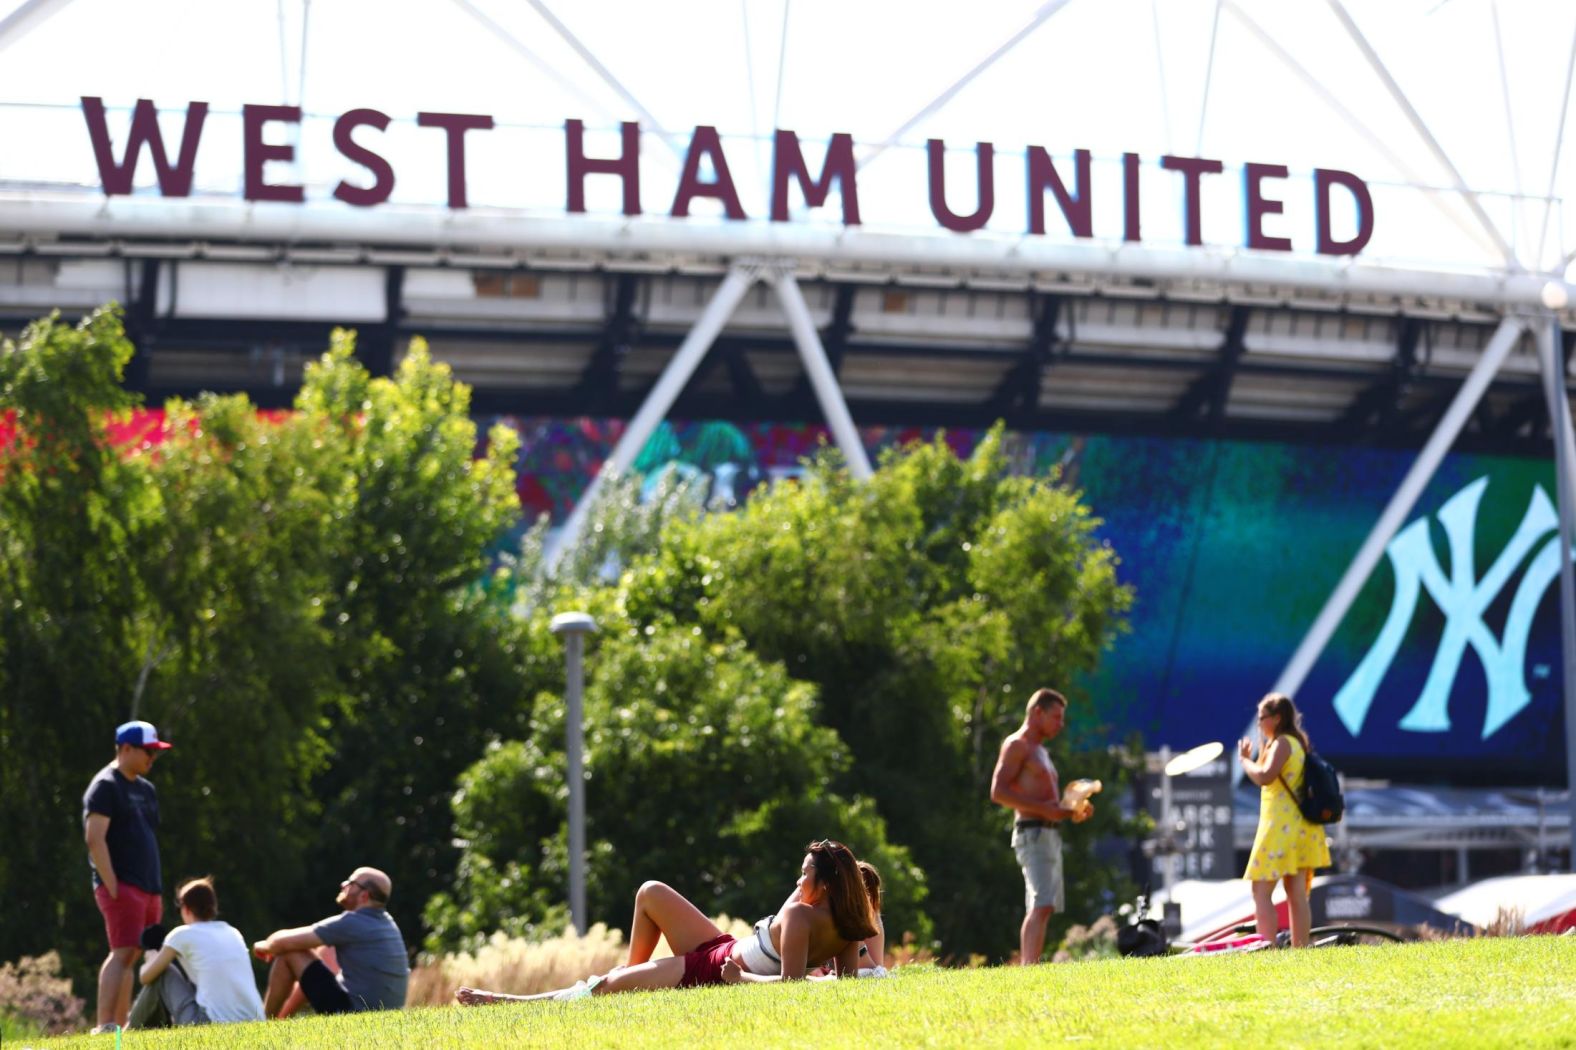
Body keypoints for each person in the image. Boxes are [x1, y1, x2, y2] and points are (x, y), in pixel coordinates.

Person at [455, 839, 880, 1004]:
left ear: (825, 885)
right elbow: (837, 983)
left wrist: (742, 981)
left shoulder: (808, 916)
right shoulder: (830, 915)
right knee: (649, 891)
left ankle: (509, 1002)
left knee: (602, 989)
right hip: (727, 946)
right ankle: (630, 970)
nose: (798, 878)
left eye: (805, 873)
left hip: (713, 969)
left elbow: (802, 987)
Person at [989, 688, 1093, 965]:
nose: (1060, 724)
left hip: (1048, 832)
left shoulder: (1040, 750)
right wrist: (1045, 810)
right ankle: (1029, 967)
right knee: (1041, 902)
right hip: (1032, 830)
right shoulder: (1017, 745)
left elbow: (1045, 799)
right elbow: (998, 792)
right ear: (1037, 713)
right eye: (1056, 717)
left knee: (1044, 906)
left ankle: (1031, 964)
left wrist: (1072, 809)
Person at [83, 719, 173, 1034]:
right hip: (122, 886)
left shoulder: (146, 790)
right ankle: (105, 1025)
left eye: (155, 752)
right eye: (147, 751)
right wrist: (112, 885)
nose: (152, 758)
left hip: (148, 886)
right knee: (121, 952)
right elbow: (95, 838)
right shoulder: (106, 785)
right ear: (125, 749)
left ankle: (122, 1026)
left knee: (133, 954)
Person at [1238, 692, 1331, 948]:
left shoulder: (1282, 743)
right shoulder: (1296, 743)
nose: (1259, 724)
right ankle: (1300, 949)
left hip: (1282, 827)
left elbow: (1265, 776)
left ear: (1277, 718)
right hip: (1300, 828)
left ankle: (1266, 947)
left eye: (1262, 718)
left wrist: (1245, 761)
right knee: (1296, 893)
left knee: (1261, 890)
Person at [251, 867, 409, 1016]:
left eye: (351, 883)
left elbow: (283, 942)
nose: (343, 885)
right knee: (316, 953)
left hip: (353, 1014)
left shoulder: (353, 922)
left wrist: (262, 946)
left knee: (290, 953)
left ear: (364, 896)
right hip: (378, 1012)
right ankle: (277, 1019)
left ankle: (264, 1021)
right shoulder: (387, 923)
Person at [127, 877, 264, 1027]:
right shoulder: (233, 932)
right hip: (255, 1020)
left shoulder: (181, 934)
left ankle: (128, 1032)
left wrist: (151, 958)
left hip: (209, 1024)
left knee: (164, 973)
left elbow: (145, 977)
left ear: (185, 909)